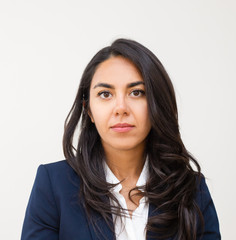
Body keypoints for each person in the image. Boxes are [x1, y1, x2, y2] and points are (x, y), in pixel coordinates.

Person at [21, 39, 221, 240]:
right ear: (88, 109)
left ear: (156, 104)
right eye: (105, 94)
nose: (121, 108)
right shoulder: (54, 185)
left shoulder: (191, 189)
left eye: (136, 92)